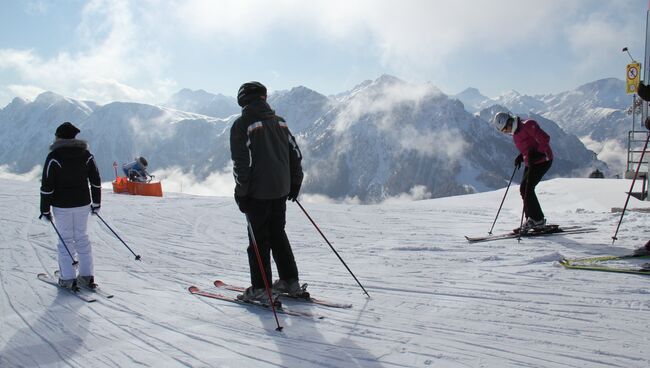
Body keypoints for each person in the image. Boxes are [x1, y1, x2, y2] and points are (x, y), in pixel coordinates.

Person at [230, 81, 304, 304]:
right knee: (278, 234)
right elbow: (295, 155)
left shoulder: (243, 125)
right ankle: (290, 281)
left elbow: (242, 164)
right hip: (281, 190)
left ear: (243, 99)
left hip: (257, 193)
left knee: (258, 240)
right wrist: (295, 183)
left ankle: (262, 288)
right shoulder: (280, 123)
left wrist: (241, 192)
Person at [40, 122, 102, 289]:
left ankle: (67, 278)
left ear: (59, 137)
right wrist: (96, 203)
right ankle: (86, 276)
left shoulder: (54, 157)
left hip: (62, 206)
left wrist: (44, 209)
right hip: (82, 203)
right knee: (82, 237)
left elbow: (47, 185)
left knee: (66, 240)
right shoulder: (86, 155)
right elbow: (95, 180)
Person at [493, 112, 554, 232]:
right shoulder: (515, 132)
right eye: (503, 131)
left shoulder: (528, 125)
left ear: (509, 122)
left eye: (505, 129)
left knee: (527, 188)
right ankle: (532, 219)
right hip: (531, 162)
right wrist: (521, 156)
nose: (506, 132)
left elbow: (545, 139)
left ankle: (537, 220)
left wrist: (539, 154)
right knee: (524, 189)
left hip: (543, 160)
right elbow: (529, 145)